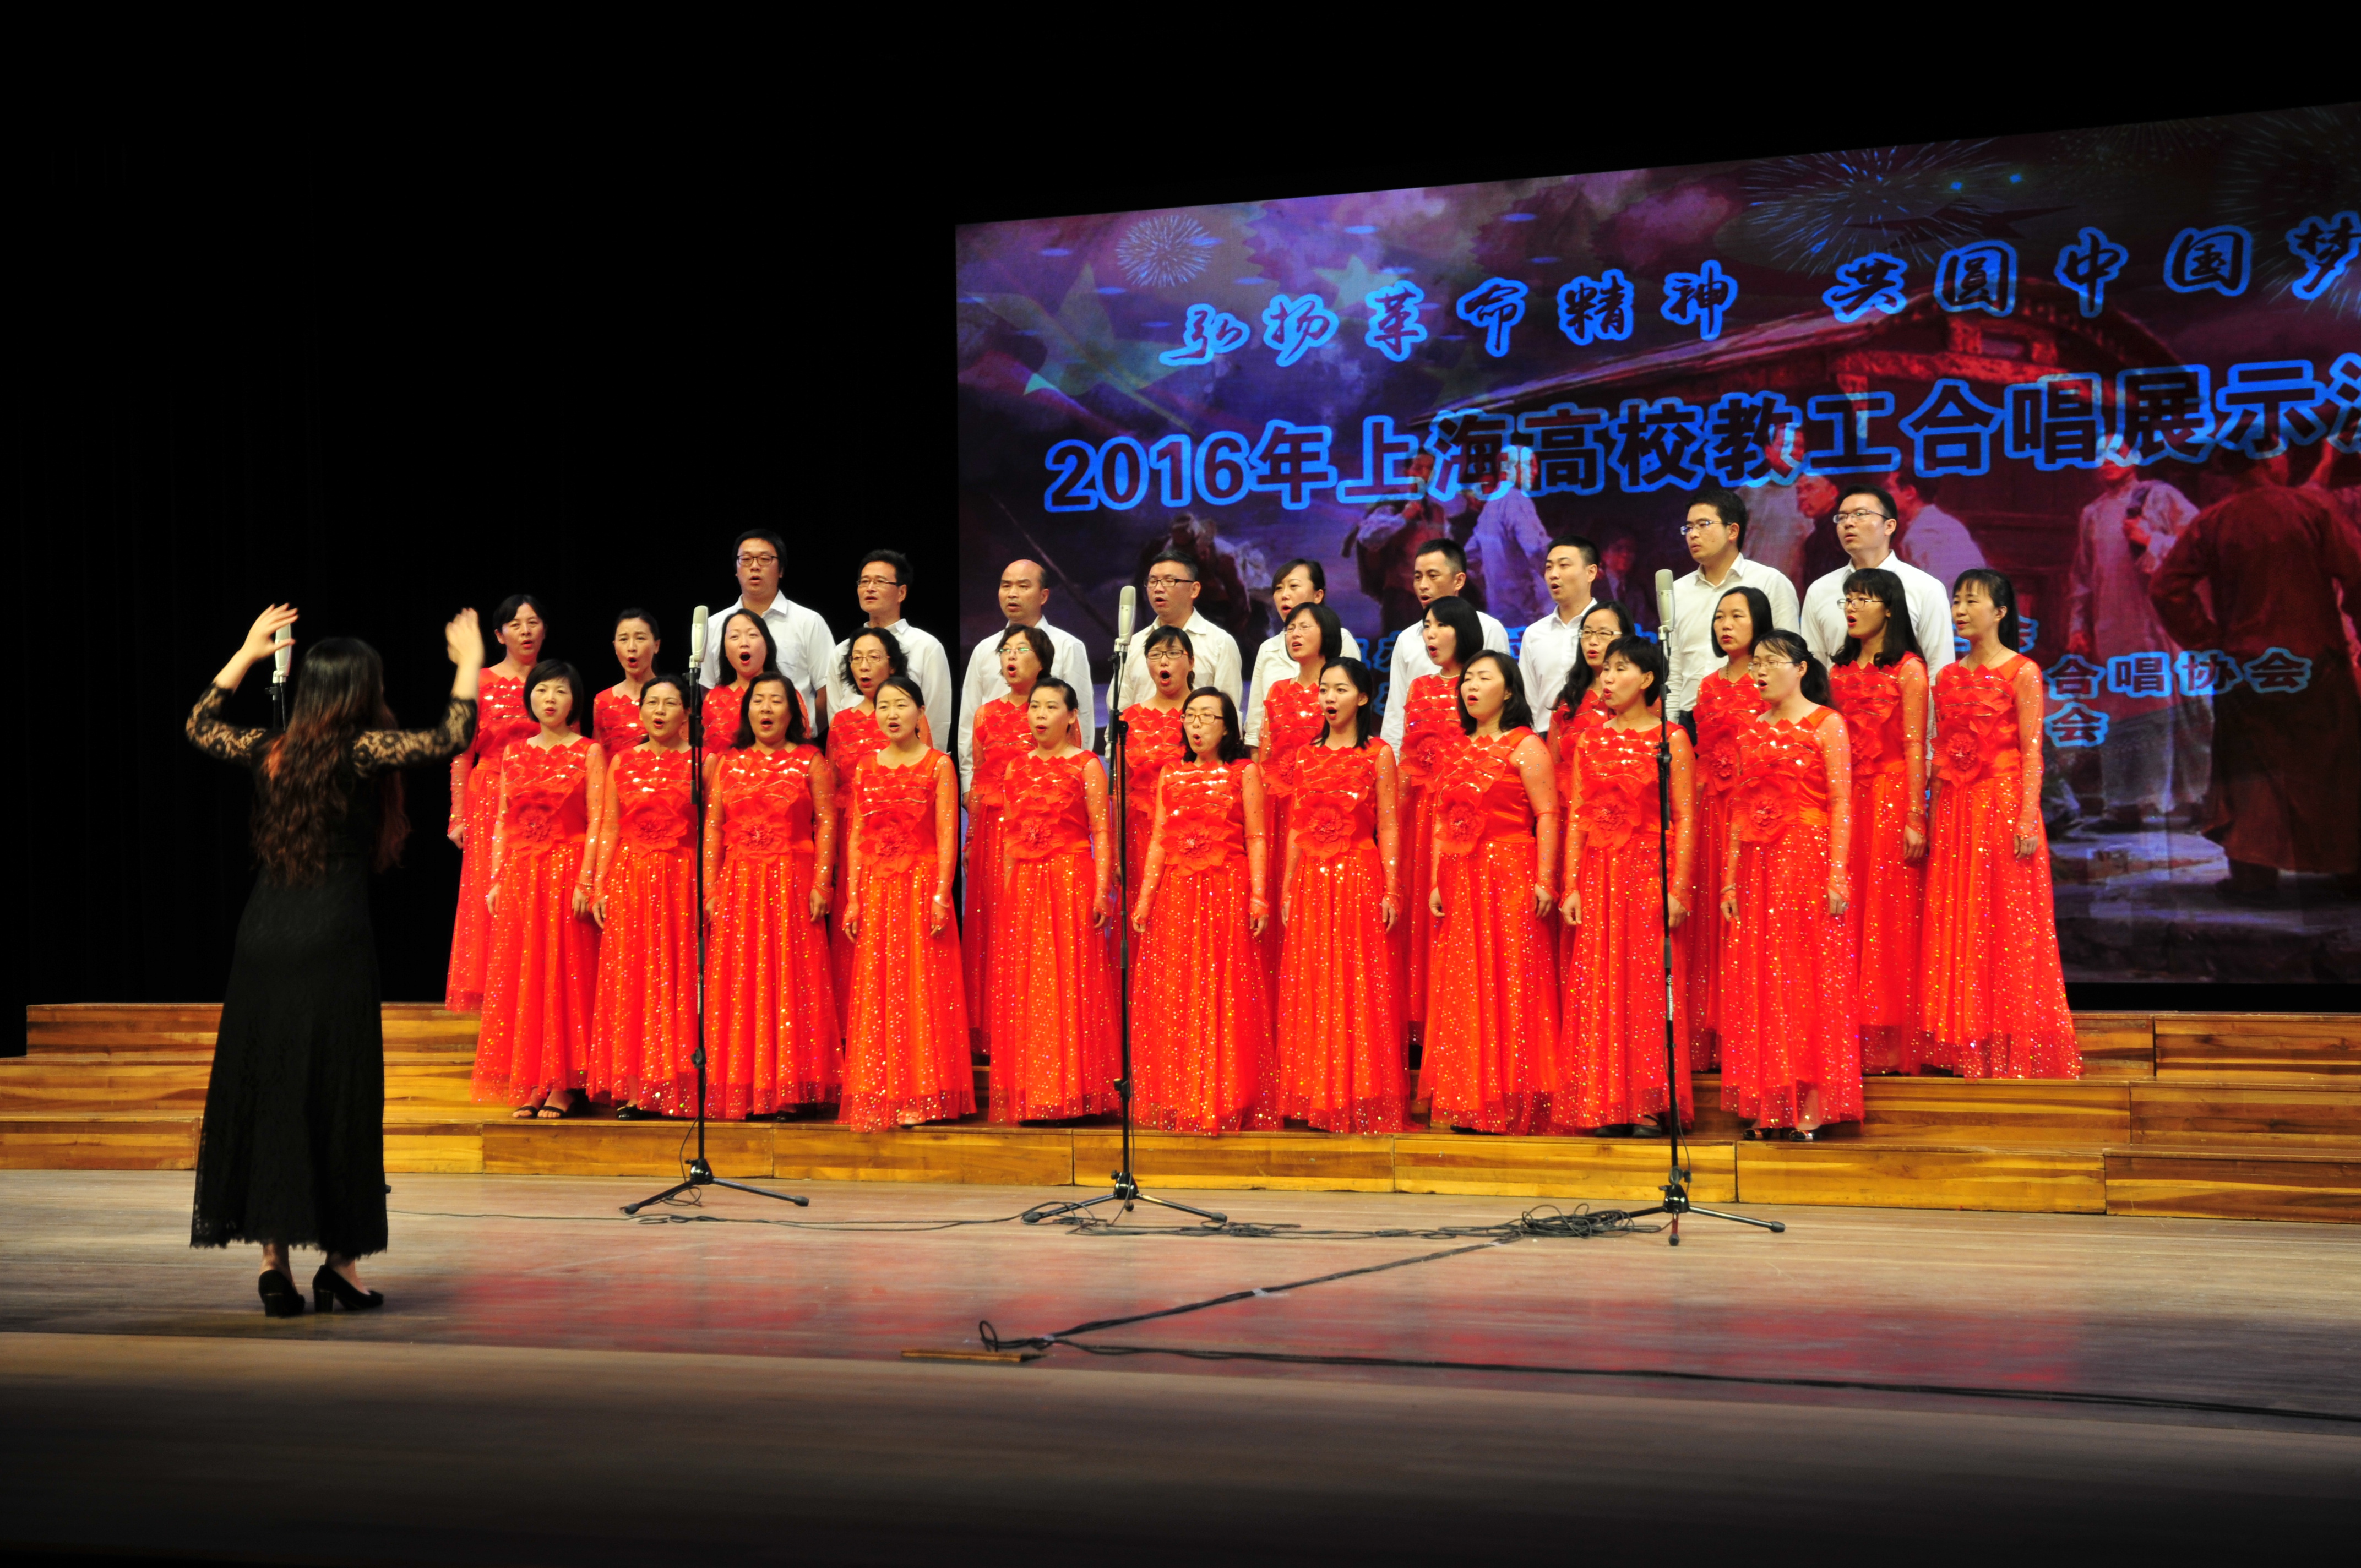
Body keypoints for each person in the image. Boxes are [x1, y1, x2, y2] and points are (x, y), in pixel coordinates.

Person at [187, 604, 480, 1317]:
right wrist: (470, 661)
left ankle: (274, 1262)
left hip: (263, 940)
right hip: (329, 940)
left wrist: (246, 652)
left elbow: (198, 724)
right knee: (337, 1089)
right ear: (359, 692)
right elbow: (451, 735)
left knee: (272, 1086)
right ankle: (341, 1266)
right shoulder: (359, 752)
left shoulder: (272, 749)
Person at [2151, 450, 2361, 901]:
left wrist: (2207, 640)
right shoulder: (2310, 510)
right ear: (2271, 460)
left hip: (2245, 664)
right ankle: (2348, 869)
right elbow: (2358, 573)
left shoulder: (2214, 521)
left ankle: (2253, 878)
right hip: (2316, 661)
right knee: (2333, 770)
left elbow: (2167, 589)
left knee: (2250, 776)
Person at [1922, 571, 2079, 1077]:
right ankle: (1965, 1042)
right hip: (1955, 808)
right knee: (1961, 919)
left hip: (2003, 805)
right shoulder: (1947, 678)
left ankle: (2013, 1043)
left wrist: (2028, 816)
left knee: (2006, 922)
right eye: (1957, 601)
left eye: (1973, 601)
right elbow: (1941, 753)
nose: (1960, 610)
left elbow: (2033, 753)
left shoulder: (2022, 672)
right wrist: (1931, 815)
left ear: (2001, 611)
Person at [1717, 631, 1860, 1139]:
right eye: (1755, 663)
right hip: (1758, 867)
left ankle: (1814, 1104)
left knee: (1809, 979)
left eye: (1771, 662)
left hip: (1807, 859)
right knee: (1763, 980)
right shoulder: (1749, 730)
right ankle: (1772, 1102)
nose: (1759, 671)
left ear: (1801, 668)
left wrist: (1838, 872)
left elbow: (1842, 801)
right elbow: (1739, 809)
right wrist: (1729, 881)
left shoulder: (1827, 724)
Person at [1557, 636, 1694, 1136]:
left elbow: (1685, 817)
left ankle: (1646, 1102)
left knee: (1645, 985)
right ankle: (1603, 1101)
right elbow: (1578, 815)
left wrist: (1679, 888)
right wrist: (1571, 884)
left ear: (1648, 678)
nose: (1608, 678)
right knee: (1599, 984)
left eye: (1620, 669)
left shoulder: (1671, 739)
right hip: (1600, 873)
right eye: (1606, 669)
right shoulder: (1590, 740)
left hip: (1648, 870)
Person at [1422, 652, 1561, 1134]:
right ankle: (1471, 1099)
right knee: (1467, 985)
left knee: (1511, 981)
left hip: (1510, 873)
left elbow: (1548, 814)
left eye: (1484, 678)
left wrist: (1546, 879)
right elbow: (1442, 820)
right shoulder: (1456, 748)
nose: (1471, 686)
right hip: (1462, 877)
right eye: (1467, 679)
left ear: (1509, 690)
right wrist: (1436, 880)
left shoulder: (1527, 746)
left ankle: (1514, 1097)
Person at [1129, 688, 1275, 1135]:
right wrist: (1146, 898)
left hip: (1226, 890)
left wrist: (1259, 895)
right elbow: (1159, 839)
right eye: (1190, 716)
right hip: (1179, 893)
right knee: (1179, 993)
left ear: (1227, 727)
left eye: (1207, 717)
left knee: (1223, 995)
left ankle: (1224, 1096)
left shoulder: (1244, 772)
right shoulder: (1171, 773)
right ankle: (1182, 1094)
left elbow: (1256, 837)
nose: (1196, 724)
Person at [1277, 658, 1408, 1132]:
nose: (1329, 698)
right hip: (1313, 879)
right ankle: (1315, 1092)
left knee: (1356, 984)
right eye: (1324, 690)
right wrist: (1288, 886)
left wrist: (1392, 887)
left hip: (1358, 873)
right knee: (1314, 982)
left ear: (1364, 697)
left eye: (1340, 689)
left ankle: (1358, 1092)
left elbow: (1388, 825)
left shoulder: (1379, 754)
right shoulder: (1306, 755)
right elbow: (1297, 828)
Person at [471, 661, 606, 1119]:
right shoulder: (515, 753)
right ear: (530, 696)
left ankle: (565, 1084)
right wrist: (496, 877)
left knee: (565, 975)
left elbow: (598, 821)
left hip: (567, 871)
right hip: (523, 874)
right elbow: (502, 822)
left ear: (575, 702)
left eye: (561, 691)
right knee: (526, 976)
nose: (550, 699)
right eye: (543, 690)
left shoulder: (589, 751)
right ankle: (533, 1079)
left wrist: (588, 880)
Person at [703, 671, 840, 1119]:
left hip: (792, 883)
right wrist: (711, 889)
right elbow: (714, 829)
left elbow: (827, 823)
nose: (765, 708)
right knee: (743, 983)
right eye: (758, 700)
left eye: (776, 700)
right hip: (739, 884)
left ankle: (789, 1089)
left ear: (792, 711)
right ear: (747, 712)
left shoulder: (810, 760)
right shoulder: (729, 763)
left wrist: (822, 883)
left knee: (789, 981)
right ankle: (744, 1086)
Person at [838, 674, 972, 1130]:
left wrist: (941, 895)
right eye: (883, 706)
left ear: (920, 712)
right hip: (878, 889)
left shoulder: (938, 765)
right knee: (881, 989)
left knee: (920, 988)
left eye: (901, 705)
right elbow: (857, 837)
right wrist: (853, 898)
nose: (891, 714)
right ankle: (882, 1089)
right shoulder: (866, 766)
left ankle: (922, 1091)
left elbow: (947, 835)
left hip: (919, 887)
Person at [988, 679, 1121, 1122]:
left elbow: (1101, 831)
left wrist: (1102, 891)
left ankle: (1075, 1090)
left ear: (1072, 716)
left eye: (1051, 707)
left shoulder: (1087, 765)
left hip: (1070, 879)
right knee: (1031, 986)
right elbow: (1010, 838)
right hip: (1027, 884)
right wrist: (1008, 891)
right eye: (1035, 707)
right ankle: (1036, 1089)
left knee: (1071, 983)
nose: (1041, 715)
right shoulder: (1015, 767)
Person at [2066, 453, 2212, 825]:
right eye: (2099, 456)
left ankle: (2198, 798)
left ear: (2133, 458)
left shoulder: (2161, 497)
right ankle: (2127, 803)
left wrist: (2153, 541)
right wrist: (2079, 625)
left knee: (2182, 708)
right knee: (2121, 713)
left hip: (2161, 624)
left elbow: (2201, 545)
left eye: (2116, 453)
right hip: (2114, 627)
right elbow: (2083, 575)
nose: (2106, 462)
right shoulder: (2092, 513)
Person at [1826, 570, 1930, 1075]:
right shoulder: (1837, 670)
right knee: (1847, 913)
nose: (1852, 607)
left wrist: (1915, 815)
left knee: (1888, 916)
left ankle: (1889, 1041)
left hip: (1889, 797)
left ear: (1889, 607)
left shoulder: (1909, 670)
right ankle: (1846, 1034)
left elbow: (1914, 746)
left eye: (1863, 599)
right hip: (1845, 800)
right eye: (1848, 599)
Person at [586, 674, 697, 1119]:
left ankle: (677, 1089)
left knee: (676, 980)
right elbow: (610, 826)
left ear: (686, 713)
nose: (659, 711)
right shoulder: (623, 761)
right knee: (632, 982)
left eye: (670, 704)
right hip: (630, 879)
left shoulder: (702, 762)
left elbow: (713, 830)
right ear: (641, 711)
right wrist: (599, 884)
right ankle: (636, 1089)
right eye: (652, 703)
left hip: (680, 880)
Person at [1685, 587, 1773, 1071]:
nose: (1726, 625)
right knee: (1709, 920)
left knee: (1746, 914)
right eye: (1720, 616)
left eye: (1737, 616)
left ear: (1759, 622)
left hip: (1755, 814)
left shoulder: (1768, 683)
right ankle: (1712, 1035)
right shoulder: (1708, 684)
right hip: (1710, 810)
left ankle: (1749, 1031)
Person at [445, 594, 546, 1011]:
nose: (526, 631)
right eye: (516, 625)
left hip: (542, 799)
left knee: (534, 892)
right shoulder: (483, 681)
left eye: (533, 623)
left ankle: (532, 990)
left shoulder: (554, 681)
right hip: (489, 796)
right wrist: (458, 814)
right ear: (499, 635)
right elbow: (462, 750)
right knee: (491, 891)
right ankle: (495, 998)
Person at [1395, 595, 1483, 1041]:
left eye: (1440, 626)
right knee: (1419, 909)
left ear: (1462, 630)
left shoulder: (1481, 682)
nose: (1430, 635)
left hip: (1463, 813)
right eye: (1426, 626)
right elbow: (1407, 752)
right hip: (1420, 811)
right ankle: (1424, 1022)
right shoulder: (1420, 687)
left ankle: (1460, 1018)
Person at [965, 624, 1057, 1050]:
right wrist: (971, 839)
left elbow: (1068, 771)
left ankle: (1034, 1021)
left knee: (1032, 925)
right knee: (993, 921)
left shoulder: (1056, 710)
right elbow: (979, 779)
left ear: (1042, 661)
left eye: (1021, 649)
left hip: (1039, 834)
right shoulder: (985, 714)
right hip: (993, 831)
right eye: (1005, 649)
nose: (1011, 656)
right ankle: (994, 1027)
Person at [1256, 603, 1345, 969]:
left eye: (1304, 627)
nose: (1294, 634)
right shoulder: (1278, 691)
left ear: (1327, 633)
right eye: (1290, 628)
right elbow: (1265, 754)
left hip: (1324, 815)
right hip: (1280, 810)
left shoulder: (1338, 692)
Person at [1664, 488, 1800, 720]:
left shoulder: (1770, 582)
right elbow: (1674, 670)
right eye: (1688, 528)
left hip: (1756, 716)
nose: (1693, 535)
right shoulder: (1677, 591)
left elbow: (1788, 659)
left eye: (1703, 525)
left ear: (1733, 531)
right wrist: (1672, 725)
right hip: (1692, 718)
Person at [958, 559, 1095, 788]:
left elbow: (1082, 719)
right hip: (993, 782)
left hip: (1051, 781)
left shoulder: (1067, 646)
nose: (1013, 594)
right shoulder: (984, 649)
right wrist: (967, 782)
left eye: (1023, 586)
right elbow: (969, 719)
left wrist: (1074, 779)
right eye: (1006, 586)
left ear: (1044, 596)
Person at [1798, 486, 1955, 681]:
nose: (1848, 523)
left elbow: (1939, 670)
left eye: (1860, 514)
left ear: (1889, 526)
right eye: (1842, 517)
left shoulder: (1925, 588)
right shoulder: (1820, 590)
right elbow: (1814, 672)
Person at [699, 530, 836, 729]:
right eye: (746, 559)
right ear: (736, 569)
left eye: (765, 559)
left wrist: (804, 732)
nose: (755, 566)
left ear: (781, 570)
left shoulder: (808, 621)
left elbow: (828, 689)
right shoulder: (714, 625)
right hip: (728, 744)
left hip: (793, 742)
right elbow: (708, 691)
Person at [1381, 540, 1510, 747]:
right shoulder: (1407, 639)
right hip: (1422, 756)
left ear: (1459, 581)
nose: (1423, 585)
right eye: (1418, 577)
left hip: (1476, 753)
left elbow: (1504, 700)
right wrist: (1394, 761)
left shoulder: (1488, 629)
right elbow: (1396, 713)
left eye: (1433, 576)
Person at [826, 549, 954, 738]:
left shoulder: (926, 646)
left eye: (880, 582)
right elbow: (835, 716)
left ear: (901, 592)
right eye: (864, 582)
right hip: (852, 750)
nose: (870, 588)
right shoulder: (843, 650)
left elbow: (937, 719)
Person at [1242, 558, 1364, 746]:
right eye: (1278, 588)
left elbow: (1354, 709)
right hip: (1278, 758)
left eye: (1294, 586)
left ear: (1318, 595)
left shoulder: (1341, 640)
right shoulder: (1268, 649)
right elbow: (1256, 720)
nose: (1284, 595)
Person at [1113, 549, 1244, 712]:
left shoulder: (1220, 643)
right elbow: (1119, 708)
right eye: (1152, 581)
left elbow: (1229, 713)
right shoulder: (1134, 644)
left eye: (1169, 581)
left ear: (1194, 590)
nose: (1158, 588)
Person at [1115, 624, 1194, 883]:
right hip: (1141, 832)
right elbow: (1122, 791)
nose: (1163, 661)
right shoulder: (1130, 719)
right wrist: (1116, 853)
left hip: (1192, 831)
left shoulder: (1207, 712)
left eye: (1173, 653)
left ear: (1191, 662)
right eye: (1155, 654)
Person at [1345, 450, 1452, 635]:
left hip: (1433, 600)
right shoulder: (1394, 504)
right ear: (1407, 472)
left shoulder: (1437, 512)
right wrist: (1404, 517)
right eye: (1418, 468)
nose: (1423, 474)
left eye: (1429, 469)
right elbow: (1367, 538)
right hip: (1401, 597)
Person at [1519, 537, 1601, 736]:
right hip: (1545, 739)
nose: (1554, 574)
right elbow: (1528, 701)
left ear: (1591, 572)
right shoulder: (1534, 633)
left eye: (1564, 565)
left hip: (1600, 739)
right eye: (1549, 568)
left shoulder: (1612, 628)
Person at [1464, 449, 1554, 625]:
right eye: (1529, 465)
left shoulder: (1490, 508)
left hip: (1501, 614)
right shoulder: (1515, 499)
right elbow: (1536, 550)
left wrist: (1491, 587)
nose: (1536, 471)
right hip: (1529, 613)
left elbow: (1468, 557)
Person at [703, 608, 782, 788]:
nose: (744, 643)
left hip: (777, 790)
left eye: (753, 635)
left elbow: (800, 750)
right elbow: (709, 762)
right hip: (724, 794)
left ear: (767, 645)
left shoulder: (786, 694)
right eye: (734, 637)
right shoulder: (713, 699)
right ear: (725, 650)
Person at [1883, 473, 1986, 596]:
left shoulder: (1925, 531)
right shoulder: (1934, 521)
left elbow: (1937, 591)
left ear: (1910, 493)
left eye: (1888, 489)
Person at [593, 609, 659, 756]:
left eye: (640, 638)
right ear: (615, 647)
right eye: (624, 639)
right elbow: (598, 758)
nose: (632, 647)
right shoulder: (603, 701)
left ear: (656, 646)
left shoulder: (674, 697)